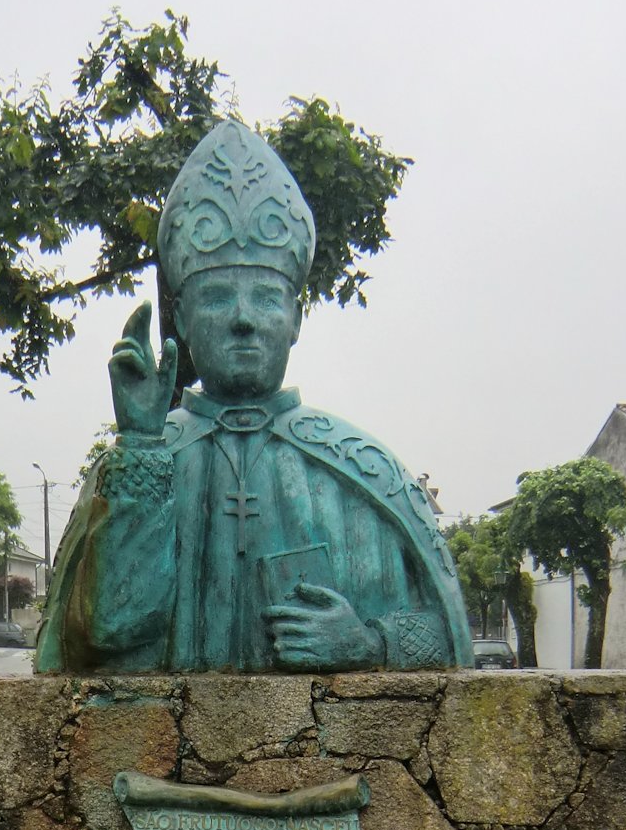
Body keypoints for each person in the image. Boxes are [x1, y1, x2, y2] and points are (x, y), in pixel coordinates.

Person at [36, 121, 471, 673]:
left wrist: (368, 642)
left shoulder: (360, 471)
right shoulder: (140, 459)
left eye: (266, 297)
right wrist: (142, 452)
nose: (243, 320)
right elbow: (93, 643)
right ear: (184, 322)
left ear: (295, 319)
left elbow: (448, 634)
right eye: (217, 297)